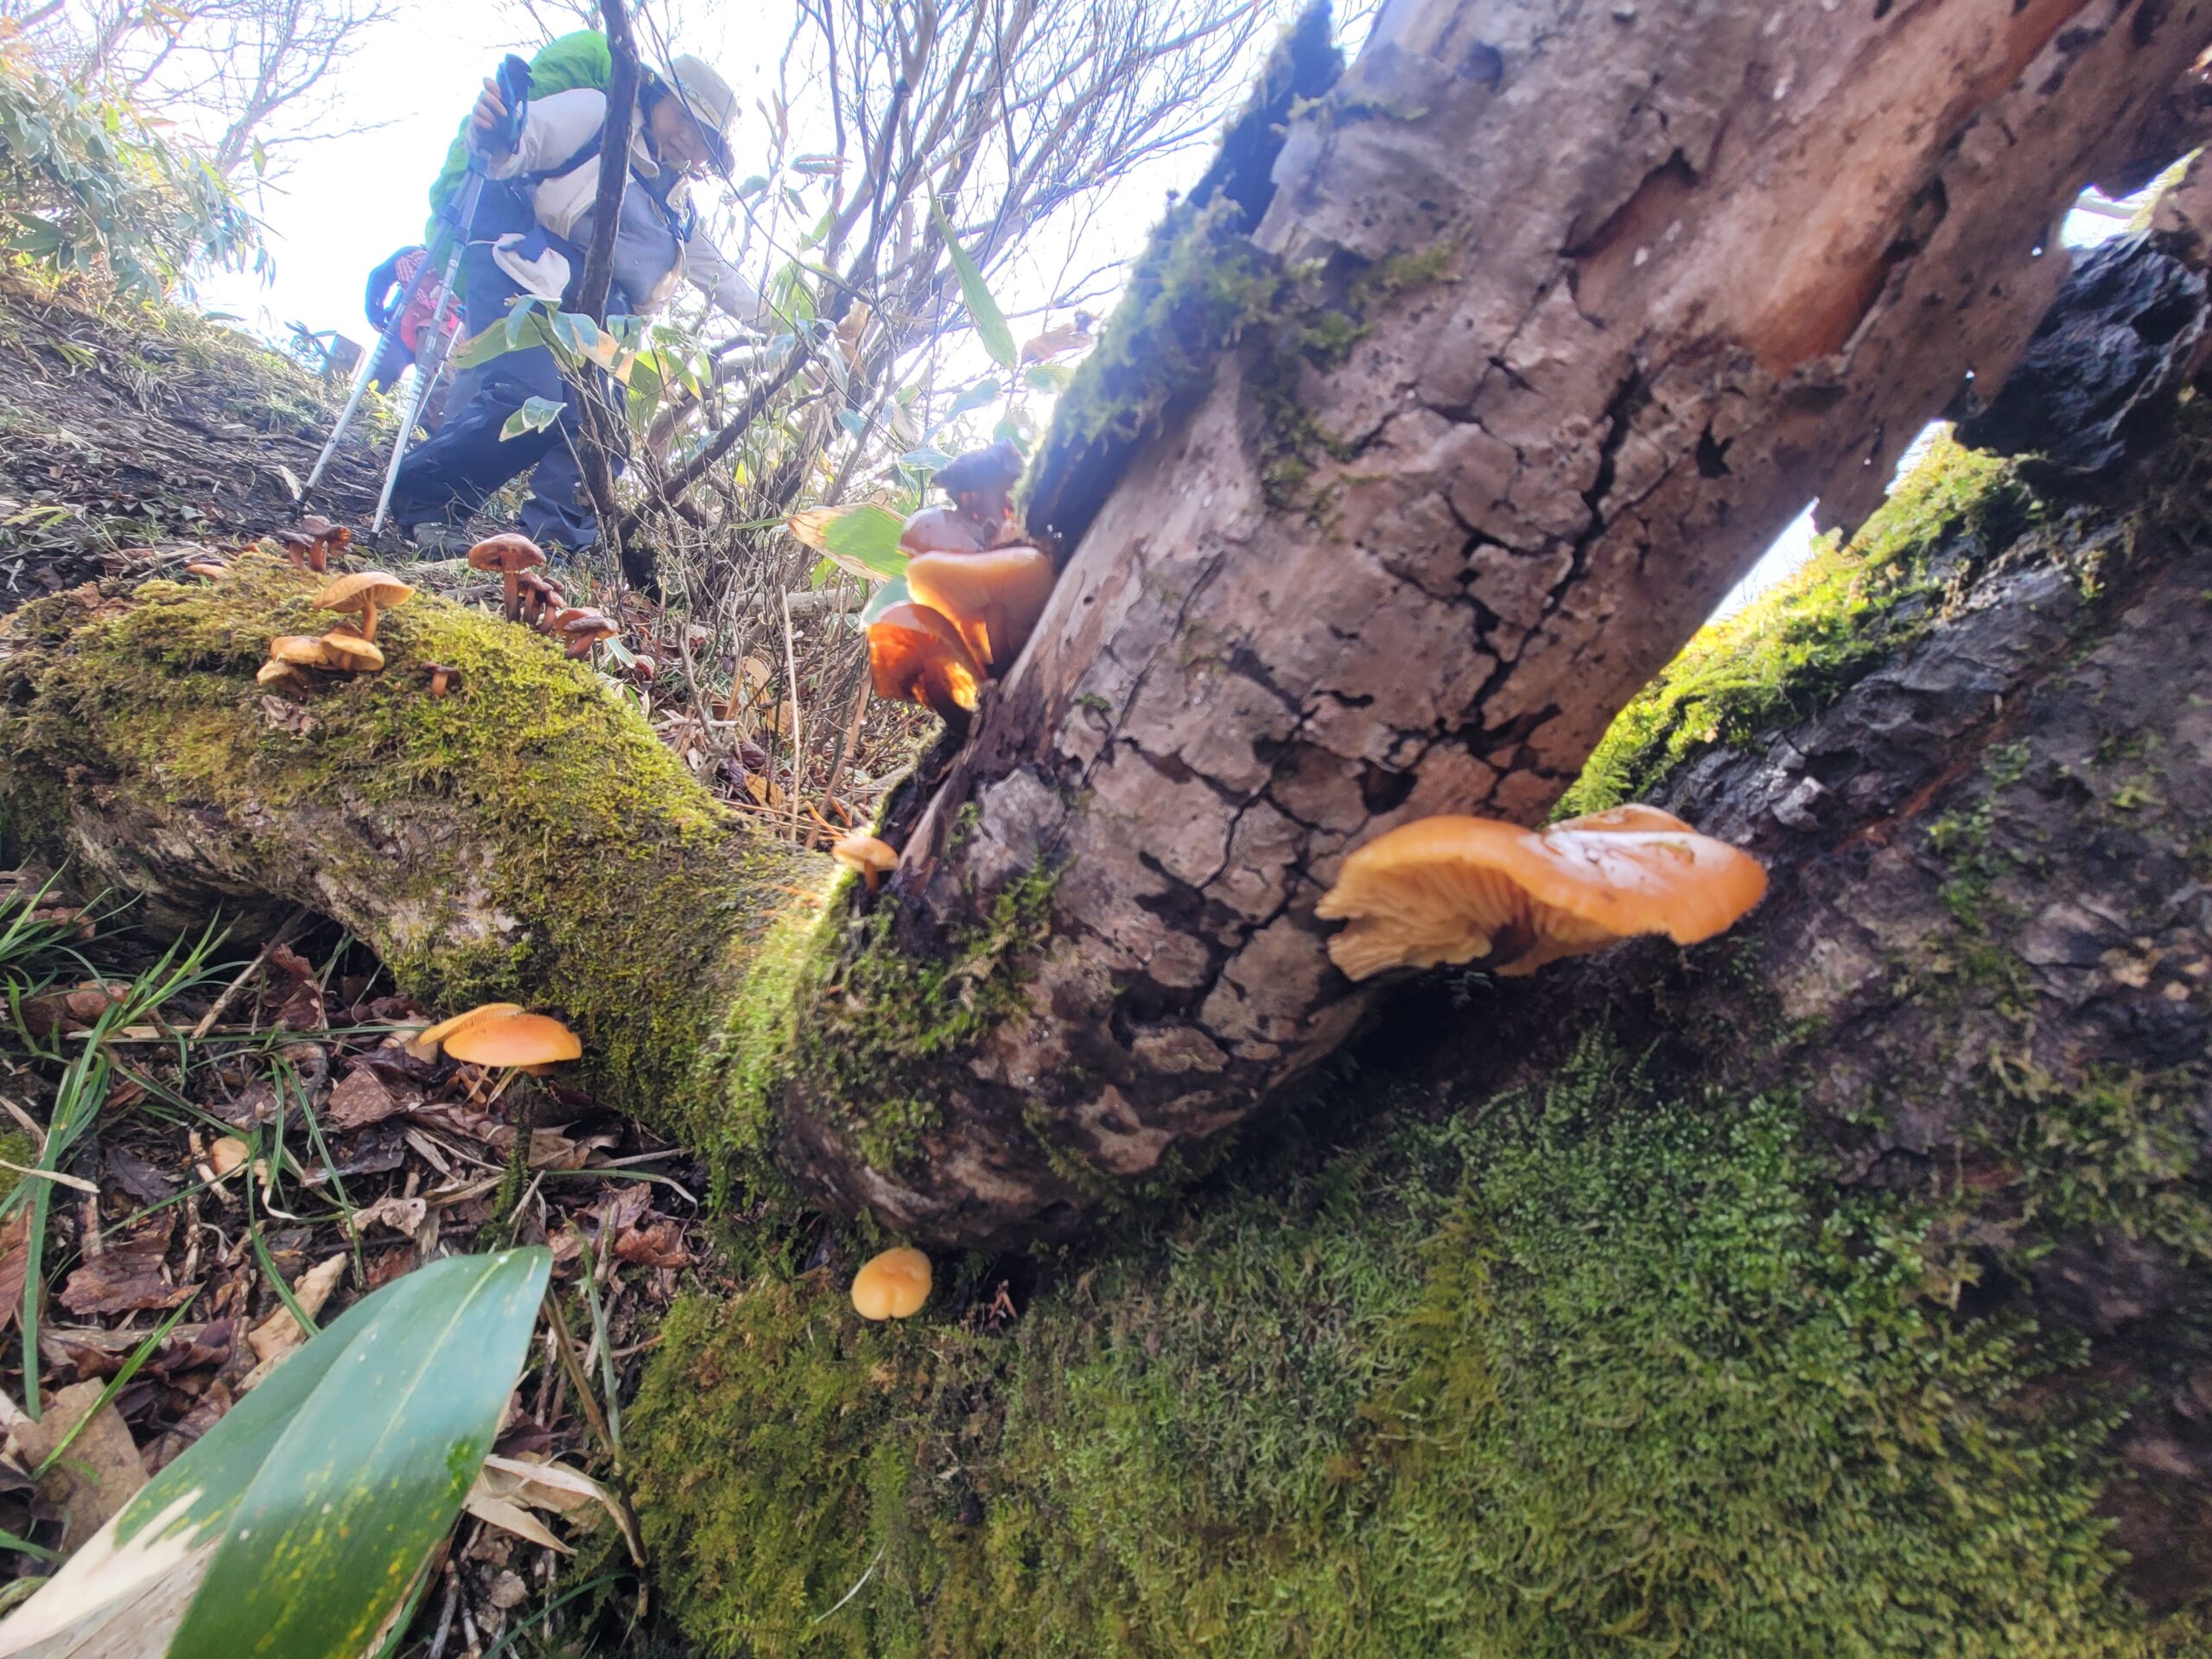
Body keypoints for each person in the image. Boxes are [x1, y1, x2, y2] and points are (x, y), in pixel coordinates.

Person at [389, 54, 767, 553]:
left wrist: (801, 324)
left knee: (603, 433)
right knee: (533, 398)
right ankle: (427, 500)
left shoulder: (680, 213)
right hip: (527, 274)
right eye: (681, 117)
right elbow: (518, 147)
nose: (686, 140)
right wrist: (499, 133)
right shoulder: (600, 116)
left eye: (704, 139)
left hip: (605, 322)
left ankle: (548, 550)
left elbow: (725, 280)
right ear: (656, 96)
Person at [360, 245, 457, 394]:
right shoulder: (413, 257)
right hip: (403, 329)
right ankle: (365, 405)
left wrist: (376, 314)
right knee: (380, 380)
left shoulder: (459, 268)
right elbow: (379, 278)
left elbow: (379, 277)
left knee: (433, 386)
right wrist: (375, 313)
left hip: (438, 334)